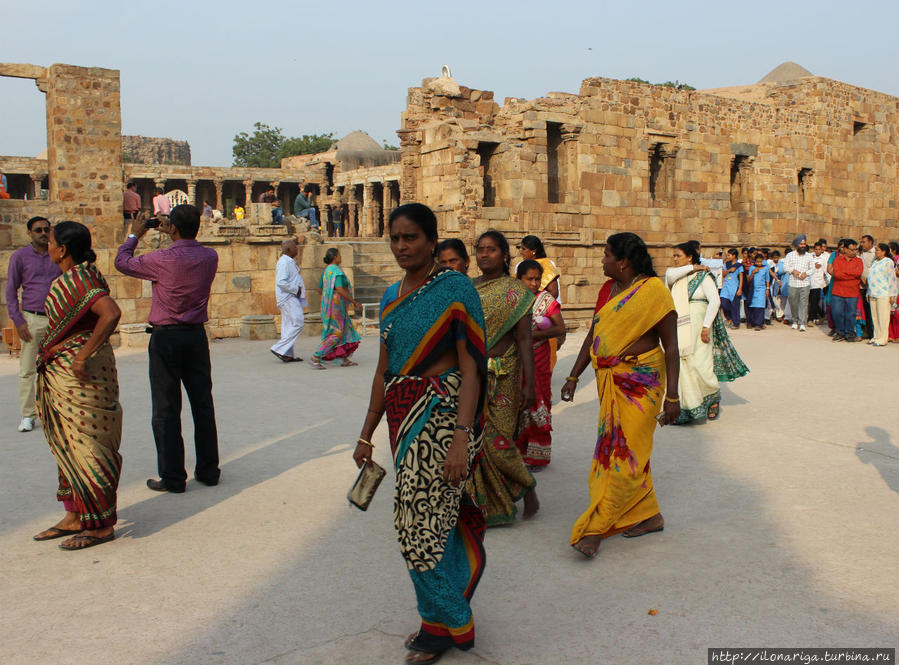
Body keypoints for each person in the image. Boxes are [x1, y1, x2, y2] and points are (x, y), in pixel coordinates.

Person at [352, 202, 487, 664]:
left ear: (432, 241)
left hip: (442, 420)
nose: (401, 246)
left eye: (411, 238)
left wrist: (462, 436)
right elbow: (383, 369)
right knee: (429, 524)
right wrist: (366, 432)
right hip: (400, 417)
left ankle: (450, 621)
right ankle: (436, 620)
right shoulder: (391, 297)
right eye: (395, 238)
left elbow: (472, 369)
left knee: (416, 528)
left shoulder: (455, 289)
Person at [561, 232, 680, 559]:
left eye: (606, 255)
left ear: (623, 262)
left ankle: (596, 528)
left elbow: (671, 346)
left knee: (623, 454)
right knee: (617, 450)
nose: (602, 260)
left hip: (643, 380)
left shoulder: (654, 292)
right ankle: (649, 514)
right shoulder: (606, 291)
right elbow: (594, 335)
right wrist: (574, 375)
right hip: (610, 379)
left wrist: (673, 397)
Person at [114, 205, 220, 493]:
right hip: (195, 337)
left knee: (166, 408)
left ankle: (173, 476)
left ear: (171, 227)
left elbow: (122, 262)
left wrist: (135, 235)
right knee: (202, 405)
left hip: (166, 338)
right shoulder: (210, 256)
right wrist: (172, 230)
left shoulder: (162, 259)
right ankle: (209, 470)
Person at [32, 221, 122, 550]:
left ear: (63, 249)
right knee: (68, 445)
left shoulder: (81, 278)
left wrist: (82, 356)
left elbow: (110, 313)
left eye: (51, 240)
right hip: (64, 376)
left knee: (88, 447)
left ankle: (99, 525)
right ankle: (74, 515)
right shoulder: (77, 276)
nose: (47, 244)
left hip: (81, 377)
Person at [466, 230, 539, 525]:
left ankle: (527, 487)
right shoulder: (468, 289)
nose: (484, 254)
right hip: (472, 373)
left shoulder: (516, 292)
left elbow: (524, 339)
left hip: (505, 373)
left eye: (491, 249)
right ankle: (490, 503)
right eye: (480, 249)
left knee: (499, 440)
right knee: (475, 438)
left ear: (504, 255)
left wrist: (530, 384)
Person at [665, 242, 748, 423]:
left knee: (701, 365)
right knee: (683, 365)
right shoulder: (676, 276)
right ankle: (688, 407)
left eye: (678, 255)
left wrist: (706, 326)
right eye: (674, 256)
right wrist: (692, 267)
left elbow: (715, 301)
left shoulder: (704, 277)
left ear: (689, 256)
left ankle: (712, 398)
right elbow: (668, 274)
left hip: (699, 327)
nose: (675, 259)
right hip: (680, 328)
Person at [6, 216, 61, 432]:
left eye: (46, 229)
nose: (43, 233)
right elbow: (11, 290)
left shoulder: (58, 255)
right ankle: (28, 414)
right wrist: (17, 320)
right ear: (29, 232)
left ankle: (55, 412)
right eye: (38, 230)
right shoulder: (20, 257)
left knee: (57, 368)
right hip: (32, 318)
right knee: (28, 369)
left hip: (58, 318)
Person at [515, 259, 564, 469]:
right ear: (520, 280)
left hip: (539, 357)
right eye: (529, 279)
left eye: (537, 279)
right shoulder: (514, 300)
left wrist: (532, 335)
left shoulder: (545, 300)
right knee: (518, 404)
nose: (534, 284)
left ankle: (539, 455)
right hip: (518, 359)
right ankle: (520, 450)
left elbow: (560, 328)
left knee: (539, 400)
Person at [517, 234, 565, 367]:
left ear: (533, 251)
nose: (521, 252)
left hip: (543, 317)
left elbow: (554, 291)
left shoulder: (547, 265)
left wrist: (539, 307)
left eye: (524, 248)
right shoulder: (521, 266)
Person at [309, 248, 361, 369]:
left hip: (330, 306)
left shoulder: (326, 271)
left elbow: (319, 290)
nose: (341, 258)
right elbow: (340, 289)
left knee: (346, 330)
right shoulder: (336, 271)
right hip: (336, 307)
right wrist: (353, 302)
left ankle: (344, 358)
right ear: (335, 257)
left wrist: (327, 298)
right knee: (336, 333)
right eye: (339, 255)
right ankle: (316, 356)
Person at [270, 238, 307, 362]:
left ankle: (287, 353)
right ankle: (279, 348)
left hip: (290, 297)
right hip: (288, 297)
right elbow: (281, 282)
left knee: (288, 325)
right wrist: (295, 289)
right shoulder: (284, 263)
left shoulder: (289, 262)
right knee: (298, 321)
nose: (297, 249)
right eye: (295, 247)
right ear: (289, 249)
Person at [827, 238, 864, 342]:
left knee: (851, 314)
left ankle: (850, 333)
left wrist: (845, 273)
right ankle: (840, 332)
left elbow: (858, 272)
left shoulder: (859, 261)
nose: (854, 252)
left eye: (855, 250)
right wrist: (851, 274)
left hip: (852, 293)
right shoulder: (837, 260)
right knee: (837, 313)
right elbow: (837, 274)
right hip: (838, 292)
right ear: (846, 249)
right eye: (852, 249)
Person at [866, 243, 898, 347]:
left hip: (883, 293)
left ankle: (883, 338)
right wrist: (868, 292)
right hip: (873, 292)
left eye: (877, 250)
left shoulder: (888, 262)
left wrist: (893, 294)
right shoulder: (875, 262)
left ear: (884, 251)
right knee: (874, 317)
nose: (875, 252)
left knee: (883, 317)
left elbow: (892, 279)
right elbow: (870, 277)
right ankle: (876, 336)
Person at [782, 234, 815, 331]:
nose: (803, 246)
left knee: (803, 303)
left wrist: (806, 273)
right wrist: (793, 271)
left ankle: (802, 323)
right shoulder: (790, 255)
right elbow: (785, 267)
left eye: (804, 244)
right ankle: (795, 321)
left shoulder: (809, 256)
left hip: (805, 283)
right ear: (797, 245)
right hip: (793, 283)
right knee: (793, 303)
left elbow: (812, 269)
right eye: (801, 244)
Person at [745, 253, 771, 330]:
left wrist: (767, 289)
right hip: (753, 290)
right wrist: (753, 273)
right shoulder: (752, 268)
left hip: (761, 290)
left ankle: (758, 324)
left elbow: (767, 279)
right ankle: (752, 322)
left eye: (760, 262)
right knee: (752, 306)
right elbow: (748, 280)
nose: (759, 263)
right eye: (757, 262)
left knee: (760, 307)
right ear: (755, 261)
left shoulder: (765, 268)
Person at [719, 248, 744, 329]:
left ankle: (736, 323)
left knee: (735, 306)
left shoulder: (739, 266)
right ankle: (729, 318)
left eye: (729, 255)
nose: (727, 256)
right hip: (726, 287)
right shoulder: (727, 264)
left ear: (734, 256)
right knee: (723, 303)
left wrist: (740, 289)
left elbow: (741, 277)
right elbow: (723, 274)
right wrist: (729, 270)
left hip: (734, 287)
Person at [808, 241, 831, 324]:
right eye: (816, 249)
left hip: (820, 281)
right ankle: (817, 316)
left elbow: (826, 270)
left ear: (822, 250)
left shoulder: (825, 258)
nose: (818, 251)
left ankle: (812, 318)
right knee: (812, 300)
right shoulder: (810, 256)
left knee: (816, 300)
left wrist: (828, 280)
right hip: (811, 280)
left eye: (819, 249)